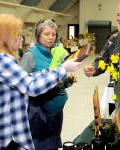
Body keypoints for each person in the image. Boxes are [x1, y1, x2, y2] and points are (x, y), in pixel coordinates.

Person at [0, 14, 80, 150]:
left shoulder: (6, 60)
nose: (21, 39)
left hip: (17, 130)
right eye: (17, 35)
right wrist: (62, 69)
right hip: (12, 134)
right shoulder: (4, 62)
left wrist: (58, 72)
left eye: (53, 34)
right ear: (6, 37)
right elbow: (31, 86)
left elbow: (29, 79)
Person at [20, 19, 77, 150]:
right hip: (40, 114)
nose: (51, 37)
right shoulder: (30, 56)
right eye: (46, 34)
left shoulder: (55, 54)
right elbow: (22, 85)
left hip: (57, 112)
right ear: (38, 36)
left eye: (53, 34)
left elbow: (54, 82)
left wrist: (68, 81)